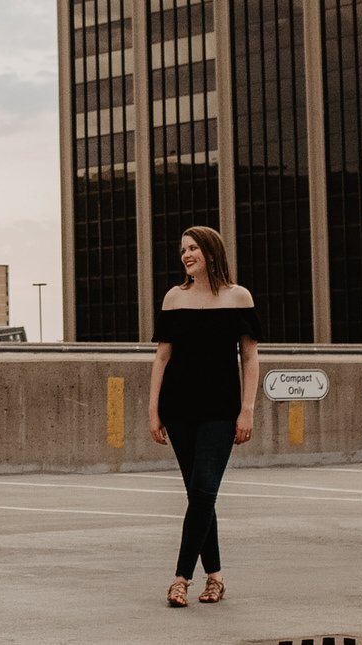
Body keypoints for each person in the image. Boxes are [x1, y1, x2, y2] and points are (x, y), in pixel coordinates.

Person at [147, 225, 258, 608]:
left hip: (221, 411)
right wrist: (153, 410)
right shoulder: (174, 298)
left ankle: (181, 578)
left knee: (203, 490)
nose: (186, 255)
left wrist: (247, 410)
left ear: (211, 252)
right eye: (182, 250)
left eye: (193, 248)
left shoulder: (238, 297)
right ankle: (216, 577)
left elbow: (250, 357)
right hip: (179, 410)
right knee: (199, 495)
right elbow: (162, 357)